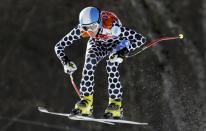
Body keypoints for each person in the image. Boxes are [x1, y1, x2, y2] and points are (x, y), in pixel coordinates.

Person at [54, 6, 146, 119]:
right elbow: (58, 47)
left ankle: (115, 104)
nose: (90, 31)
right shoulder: (82, 30)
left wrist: (123, 52)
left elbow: (140, 39)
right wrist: (65, 61)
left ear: (99, 22)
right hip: (98, 44)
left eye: (93, 26)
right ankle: (86, 102)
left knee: (111, 64)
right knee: (89, 62)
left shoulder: (112, 27)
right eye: (85, 28)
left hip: (117, 43)